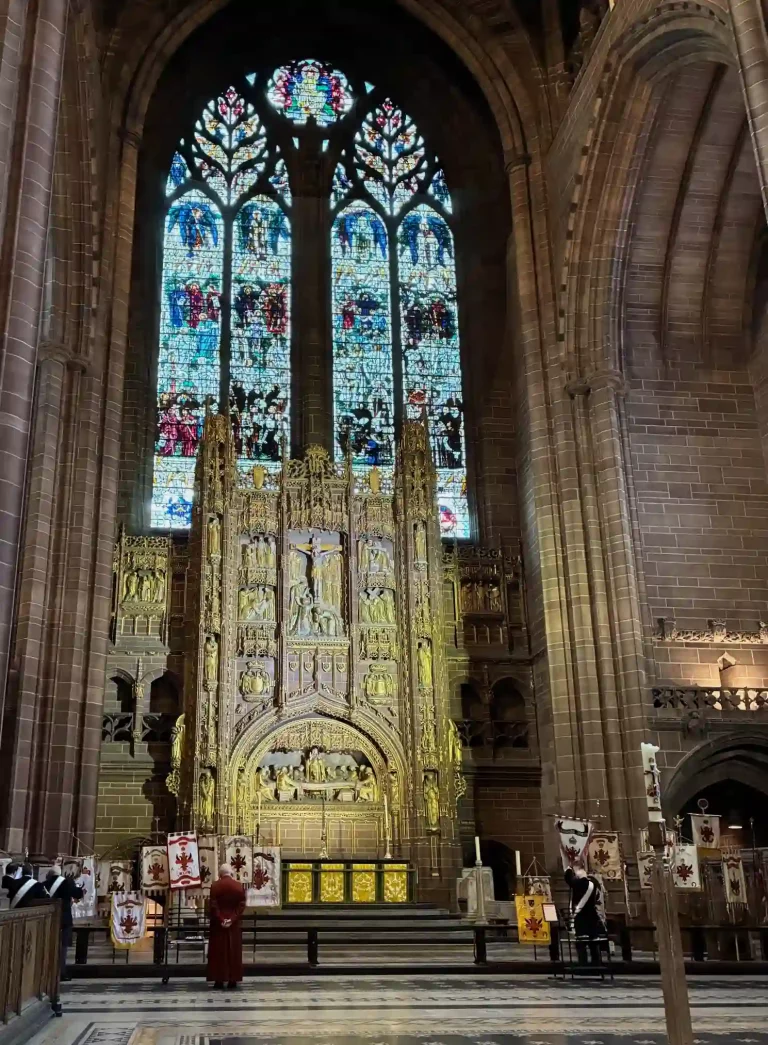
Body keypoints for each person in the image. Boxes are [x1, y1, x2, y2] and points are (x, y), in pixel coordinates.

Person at [207, 863, 246, 989]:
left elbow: (213, 905)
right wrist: (232, 919)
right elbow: (241, 905)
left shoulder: (215, 886)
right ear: (231, 873)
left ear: (220, 874)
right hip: (234, 925)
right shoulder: (239, 886)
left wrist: (221, 919)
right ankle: (233, 980)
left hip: (218, 925)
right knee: (233, 952)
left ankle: (219, 980)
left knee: (219, 952)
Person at [45, 864, 84, 981]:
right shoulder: (67, 882)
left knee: (47, 945)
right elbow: (78, 894)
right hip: (63, 919)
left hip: (47, 919)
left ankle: (46, 971)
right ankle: (60, 972)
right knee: (62, 947)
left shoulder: (44, 884)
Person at [565, 864, 607, 966]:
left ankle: (583, 964)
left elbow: (568, 879)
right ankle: (597, 964)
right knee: (593, 943)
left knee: (581, 943)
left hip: (581, 918)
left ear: (578, 877)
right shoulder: (593, 884)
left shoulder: (577, 884)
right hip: (592, 916)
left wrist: (569, 869)